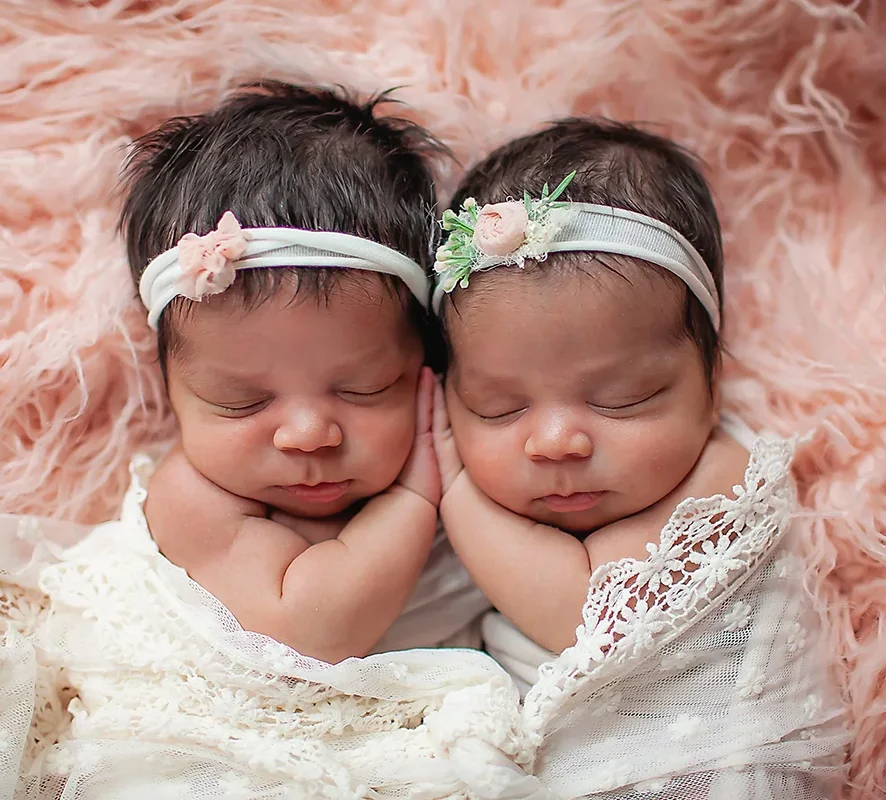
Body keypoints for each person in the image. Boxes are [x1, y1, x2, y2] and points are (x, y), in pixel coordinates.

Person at [431, 118, 848, 795]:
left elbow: (579, 610)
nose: (557, 441)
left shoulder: (725, 478)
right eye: (498, 408)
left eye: (623, 400)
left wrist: (453, 485)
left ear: (712, 386)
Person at [119, 81, 489, 663]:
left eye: (363, 389)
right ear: (168, 386)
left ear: (427, 357)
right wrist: (414, 498)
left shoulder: (471, 441)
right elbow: (304, 629)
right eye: (239, 400)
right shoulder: (194, 497)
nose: (309, 434)